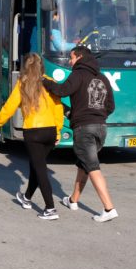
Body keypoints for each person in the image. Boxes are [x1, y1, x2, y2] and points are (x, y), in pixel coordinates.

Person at [42, 45, 118, 223]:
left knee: (92, 167)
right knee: (84, 164)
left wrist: (44, 81)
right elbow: (111, 106)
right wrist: (97, 116)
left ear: (79, 57)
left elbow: (62, 91)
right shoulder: (103, 78)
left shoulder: (78, 74)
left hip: (84, 128)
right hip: (101, 127)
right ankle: (73, 200)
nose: (70, 61)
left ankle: (109, 208)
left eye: (71, 57)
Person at [0, 53, 64, 220]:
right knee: (36, 166)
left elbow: (9, 107)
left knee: (40, 169)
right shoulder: (49, 82)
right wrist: (58, 131)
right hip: (50, 130)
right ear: (41, 66)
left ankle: (50, 208)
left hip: (33, 132)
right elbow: (58, 108)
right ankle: (27, 197)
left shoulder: (23, 84)